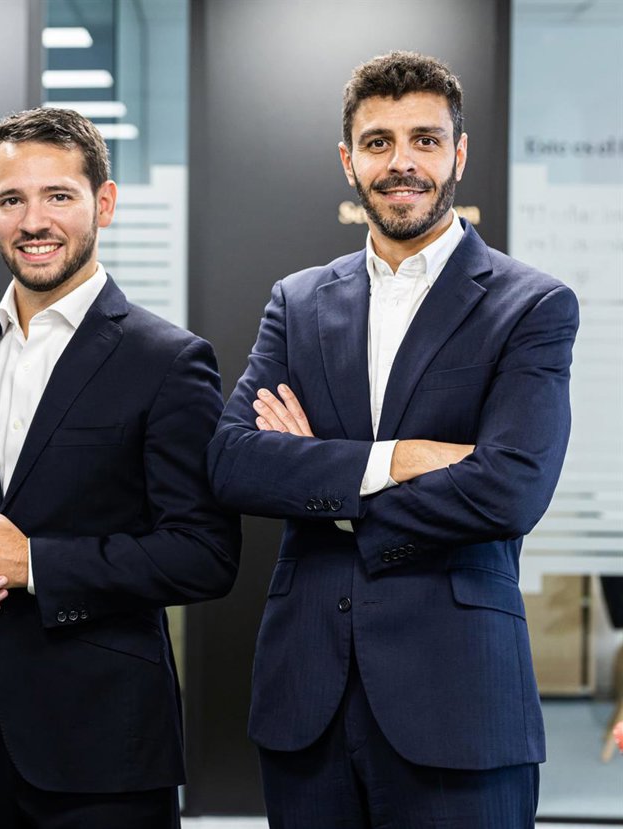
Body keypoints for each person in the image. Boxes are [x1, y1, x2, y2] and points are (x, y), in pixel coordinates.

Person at [208, 52, 578, 827]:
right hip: (306, 699)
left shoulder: (532, 306)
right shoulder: (298, 302)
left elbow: (509, 489)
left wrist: (322, 484)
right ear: (348, 160)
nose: (401, 162)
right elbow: (234, 462)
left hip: (459, 700)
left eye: (424, 140)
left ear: (458, 154)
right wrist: (399, 459)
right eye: (378, 142)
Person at [0, 107, 240, 828]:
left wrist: (32, 564)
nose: (34, 221)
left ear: (103, 203)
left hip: (105, 749)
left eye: (59, 196)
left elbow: (203, 553)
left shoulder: (168, 360)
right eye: (13, 199)